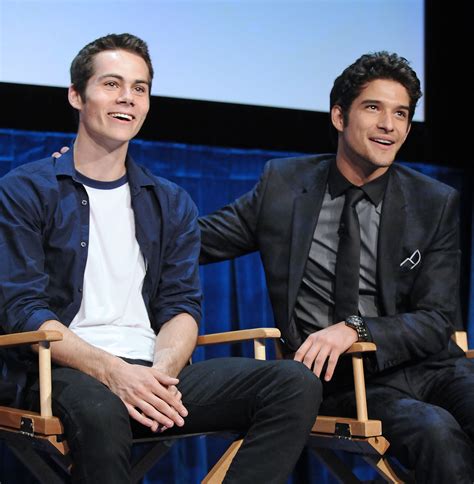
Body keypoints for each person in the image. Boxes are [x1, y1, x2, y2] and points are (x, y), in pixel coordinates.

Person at [0, 33, 321, 483]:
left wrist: (159, 374)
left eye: (139, 88)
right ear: (76, 95)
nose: (127, 99)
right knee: (101, 410)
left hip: (151, 371)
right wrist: (114, 373)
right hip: (63, 372)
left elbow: (182, 307)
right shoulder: (26, 189)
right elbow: (22, 312)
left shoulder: (171, 202)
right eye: (112, 84)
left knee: (292, 383)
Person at [199, 51, 474, 482]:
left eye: (400, 113)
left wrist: (356, 329)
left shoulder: (432, 202)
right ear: (339, 116)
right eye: (373, 108)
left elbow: (438, 320)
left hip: (432, 368)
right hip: (347, 383)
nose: (389, 124)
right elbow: (196, 240)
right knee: (436, 433)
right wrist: (104, 193)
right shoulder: (284, 187)